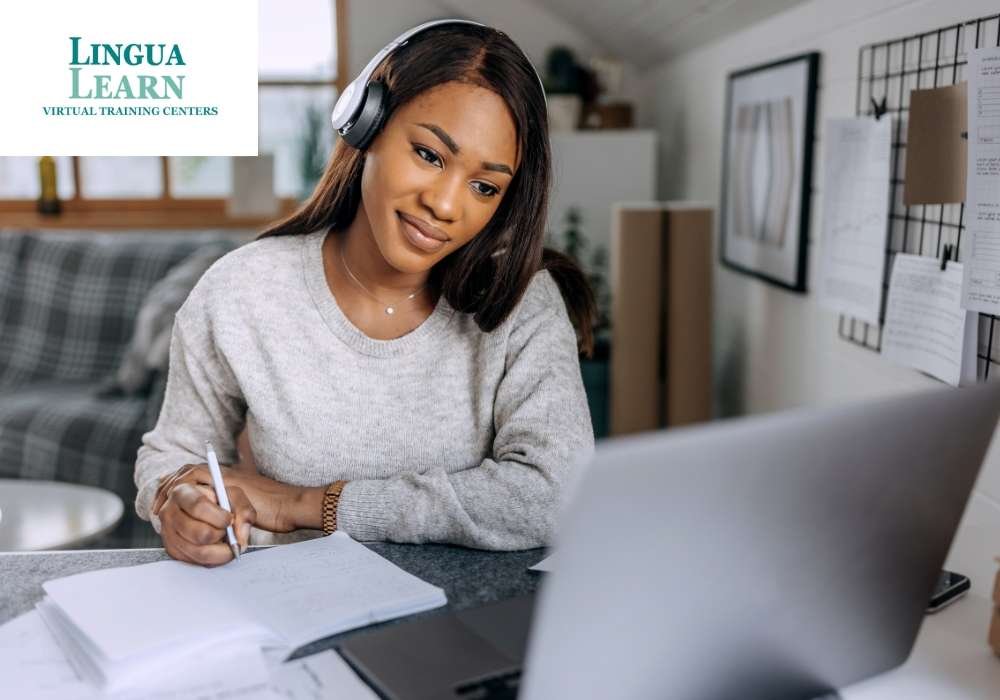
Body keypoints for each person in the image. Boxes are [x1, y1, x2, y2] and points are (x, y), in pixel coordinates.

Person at [134, 20, 596, 566]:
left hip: (464, 621)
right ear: (366, 125)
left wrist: (310, 506)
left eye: (484, 186)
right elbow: (176, 453)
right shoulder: (242, 291)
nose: (446, 205)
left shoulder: (523, 300)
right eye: (429, 154)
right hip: (289, 607)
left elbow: (558, 494)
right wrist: (176, 501)